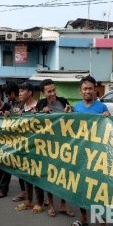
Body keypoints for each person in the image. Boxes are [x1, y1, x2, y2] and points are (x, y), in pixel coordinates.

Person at [71, 75, 113, 226]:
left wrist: (108, 118)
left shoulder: (102, 107)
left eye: (90, 88)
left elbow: (110, 130)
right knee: (81, 187)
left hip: (98, 155)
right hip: (81, 154)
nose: (88, 91)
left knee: (98, 189)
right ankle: (83, 219)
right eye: (85, 89)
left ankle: (103, 223)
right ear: (80, 91)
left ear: (95, 90)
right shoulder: (76, 108)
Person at [35, 79, 74, 218]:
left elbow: (75, 118)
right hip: (48, 147)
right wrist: (41, 112)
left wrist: (70, 111)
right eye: (49, 91)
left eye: (54, 90)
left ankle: (63, 205)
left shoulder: (63, 101)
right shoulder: (40, 104)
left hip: (64, 145)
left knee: (64, 175)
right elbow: (33, 120)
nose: (52, 93)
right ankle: (51, 205)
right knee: (50, 176)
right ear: (43, 93)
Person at [13, 82, 46, 214]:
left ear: (30, 93)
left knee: (36, 175)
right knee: (26, 175)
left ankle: (40, 203)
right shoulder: (21, 107)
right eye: (19, 91)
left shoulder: (40, 105)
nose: (20, 93)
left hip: (38, 146)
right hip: (24, 146)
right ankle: (28, 201)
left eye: (22, 91)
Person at [4, 82, 27, 202]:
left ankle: (27, 192)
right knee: (19, 166)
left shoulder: (24, 103)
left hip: (26, 139)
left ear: (13, 93)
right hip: (16, 139)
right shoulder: (11, 104)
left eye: (8, 95)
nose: (7, 98)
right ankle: (24, 191)